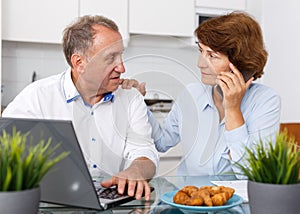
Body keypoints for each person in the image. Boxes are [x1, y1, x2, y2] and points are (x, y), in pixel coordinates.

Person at [2, 15, 159, 200]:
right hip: (50, 202)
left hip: (111, 203)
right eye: (110, 58)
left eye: (121, 55)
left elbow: (144, 152)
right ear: (79, 63)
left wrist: (137, 170)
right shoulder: (37, 96)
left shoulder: (131, 98)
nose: (122, 67)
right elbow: (5, 151)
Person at [122, 12, 281, 177]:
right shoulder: (191, 94)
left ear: (240, 64)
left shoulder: (265, 102)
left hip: (236, 201)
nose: (200, 63)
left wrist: (233, 110)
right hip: (190, 199)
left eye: (212, 56)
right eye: (201, 51)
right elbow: (162, 142)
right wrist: (138, 102)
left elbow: (253, 175)